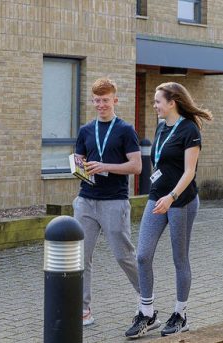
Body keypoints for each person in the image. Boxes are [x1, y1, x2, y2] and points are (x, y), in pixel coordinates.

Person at [125, 82, 211, 338]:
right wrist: (159, 196)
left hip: (181, 201)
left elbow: (189, 171)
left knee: (179, 259)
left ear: (172, 102)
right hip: (157, 198)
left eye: (157, 101)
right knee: (142, 255)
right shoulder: (162, 127)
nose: (154, 106)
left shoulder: (190, 129)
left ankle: (180, 314)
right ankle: (148, 313)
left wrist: (171, 197)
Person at [73, 78, 142, 326]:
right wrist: (80, 168)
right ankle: (83, 310)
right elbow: (79, 161)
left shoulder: (125, 130)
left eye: (106, 100)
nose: (101, 104)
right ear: (92, 101)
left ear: (115, 100)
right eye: (97, 100)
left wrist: (105, 167)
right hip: (86, 201)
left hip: (114, 201)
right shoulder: (85, 131)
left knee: (124, 255)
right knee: (80, 256)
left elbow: (136, 166)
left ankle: (146, 300)